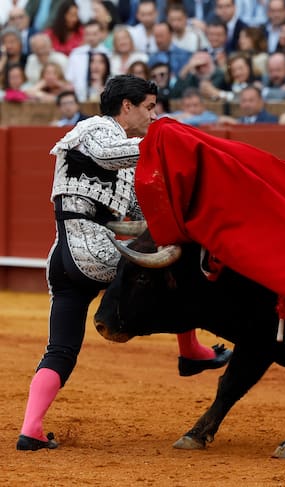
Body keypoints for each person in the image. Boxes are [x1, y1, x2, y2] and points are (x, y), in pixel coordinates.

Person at [16, 75, 231, 452]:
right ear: (126, 106)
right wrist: (164, 140)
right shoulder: (94, 127)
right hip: (91, 250)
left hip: (64, 259)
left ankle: (30, 430)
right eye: (149, 107)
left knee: (62, 348)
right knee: (174, 270)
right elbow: (109, 155)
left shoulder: (127, 160)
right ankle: (190, 350)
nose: (154, 115)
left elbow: (134, 214)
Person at [169, 87, 235, 125]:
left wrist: (183, 119)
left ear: (202, 106)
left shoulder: (207, 115)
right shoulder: (179, 114)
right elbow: (163, 117)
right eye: (188, 106)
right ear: (182, 107)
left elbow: (212, 119)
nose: (192, 109)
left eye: (195, 105)